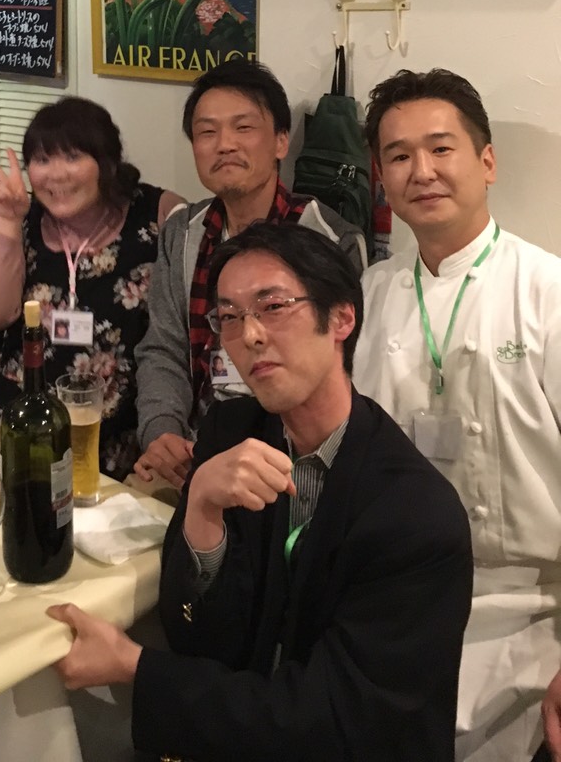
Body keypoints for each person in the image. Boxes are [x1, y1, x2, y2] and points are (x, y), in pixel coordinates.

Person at [48, 222, 473, 761]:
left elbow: (335, 724)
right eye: (229, 316)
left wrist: (136, 666)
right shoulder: (232, 432)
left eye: (273, 307)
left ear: (342, 319)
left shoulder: (417, 517)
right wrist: (201, 509)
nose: (248, 335)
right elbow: (202, 639)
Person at [352, 68, 561, 762]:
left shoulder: (547, 292)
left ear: (487, 161)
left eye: (441, 148)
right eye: (398, 156)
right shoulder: (368, 295)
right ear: (381, 177)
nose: (422, 171)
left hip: (531, 619)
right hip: (390, 609)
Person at [134, 58, 366, 490]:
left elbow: (345, 370)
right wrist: (162, 430)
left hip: (290, 464)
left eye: (243, 128)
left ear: (281, 141)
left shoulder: (329, 239)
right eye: (207, 132)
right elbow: (163, 348)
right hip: (191, 455)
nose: (225, 144)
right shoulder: (182, 233)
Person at [0, 96, 182, 479]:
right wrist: (6, 221)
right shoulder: (24, 218)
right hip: (17, 411)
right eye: (42, 160)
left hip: (105, 430)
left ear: (107, 162)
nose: (56, 175)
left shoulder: (157, 215)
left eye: (73, 157)